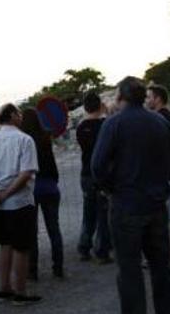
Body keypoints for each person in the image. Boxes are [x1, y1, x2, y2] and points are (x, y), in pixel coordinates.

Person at [92, 76, 170, 314]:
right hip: (157, 206)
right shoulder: (161, 122)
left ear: (121, 97)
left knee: (130, 272)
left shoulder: (114, 123)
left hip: (126, 205)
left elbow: (97, 166)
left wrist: (110, 188)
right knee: (161, 268)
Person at [0, 103, 42, 306]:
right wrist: (6, 194)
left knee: (4, 245)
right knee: (21, 248)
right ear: (13, 115)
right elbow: (26, 173)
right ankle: (20, 292)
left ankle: (4, 288)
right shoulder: (25, 139)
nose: (21, 117)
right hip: (19, 202)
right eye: (19, 113)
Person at [20, 108, 64, 279]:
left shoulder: (23, 140)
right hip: (50, 186)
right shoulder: (46, 137)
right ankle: (58, 267)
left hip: (31, 188)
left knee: (32, 232)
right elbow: (52, 164)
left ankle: (33, 271)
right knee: (54, 229)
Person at [146, 84, 170, 265]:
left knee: (157, 215)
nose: (147, 100)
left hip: (163, 174)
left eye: (149, 97)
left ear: (158, 98)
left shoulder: (156, 120)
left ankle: (157, 255)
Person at [75, 91, 112, 264]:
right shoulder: (106, 124)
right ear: (100, 105)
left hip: (86, 173)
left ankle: (84, 247)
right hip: (103, 173)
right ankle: (102, 250)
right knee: (103, 214)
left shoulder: (81, 128)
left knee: (88, 212)